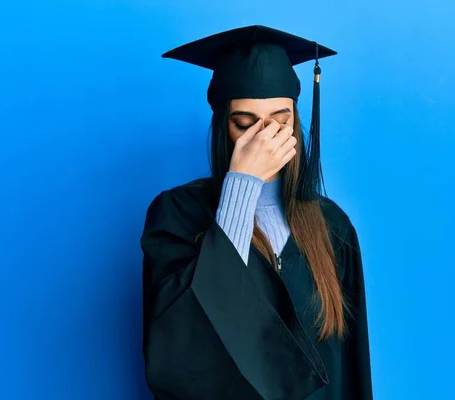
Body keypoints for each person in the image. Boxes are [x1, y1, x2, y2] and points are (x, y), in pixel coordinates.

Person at [140, 25, 373, 400]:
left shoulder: (332, 226)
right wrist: (241, 187)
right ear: (223, 127)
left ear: (297, 120)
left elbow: (350, 367)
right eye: (245, 124)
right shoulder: (177, 215)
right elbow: (176, 348)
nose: (265, 136)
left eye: (280, 120)